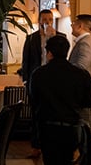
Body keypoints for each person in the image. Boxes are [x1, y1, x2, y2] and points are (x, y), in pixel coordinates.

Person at [29, 35, 91, 165]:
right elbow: (90, 100)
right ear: (67, 52)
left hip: (47, 127)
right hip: (71, 128)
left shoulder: (39, 74)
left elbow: (34, 103)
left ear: (48, 52)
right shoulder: (80, 74)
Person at [19, 10, 65, 157]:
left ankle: (53, 145)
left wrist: (52, 37)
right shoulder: (31, 38)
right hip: (35, 80)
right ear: (39, 21)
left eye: (50, 19)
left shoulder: (60, 37)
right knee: (36, 113)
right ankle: (36, 147)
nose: (47, 22)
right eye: (44, 19)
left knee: (54, 112)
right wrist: (26, 80)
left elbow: (64, 58)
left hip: (56, 81)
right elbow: (25, 61)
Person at [69, 13, 91, 87]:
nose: (71, 25)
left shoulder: (85, 43)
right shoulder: (89, 41)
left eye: (73, 23)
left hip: (84, 87)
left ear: (80, 26)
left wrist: (65, 68)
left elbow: (81, 66)